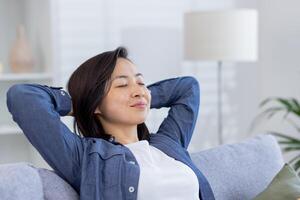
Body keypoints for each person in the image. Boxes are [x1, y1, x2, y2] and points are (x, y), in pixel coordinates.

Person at [6, 47, 215, 200]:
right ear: (95, 103)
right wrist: (82, 104)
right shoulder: (86, 157)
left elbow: (188, 88)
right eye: (122, 85)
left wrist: (140, 98)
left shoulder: (168, 143)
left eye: (141, 82)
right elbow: (23, 97)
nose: (138, 89)